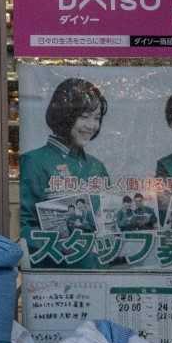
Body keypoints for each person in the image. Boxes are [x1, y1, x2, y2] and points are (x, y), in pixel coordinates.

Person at [18, 77, 111, 267]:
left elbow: (109, 216)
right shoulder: (33, 162)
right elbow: (23, 227)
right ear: (64, 115)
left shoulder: (97, 166)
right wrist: (63, 244)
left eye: (97, 118)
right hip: (54, 272)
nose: (91, 126)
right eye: (84, 117)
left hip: (98, 271)